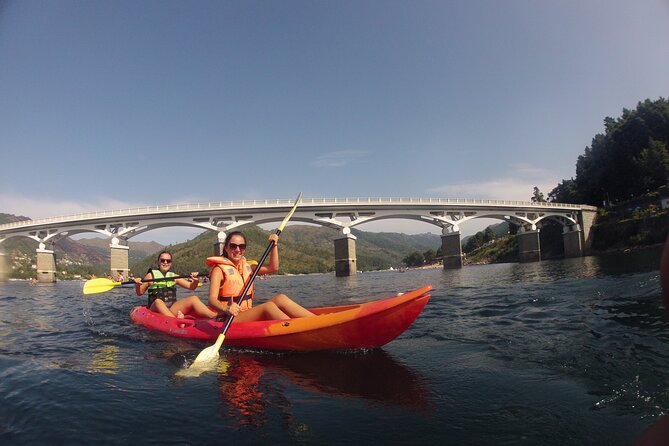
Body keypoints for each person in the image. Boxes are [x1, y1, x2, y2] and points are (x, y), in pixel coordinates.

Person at [207, 231, 315, 321]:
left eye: (242, 246)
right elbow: (212, 300)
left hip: (246, 312)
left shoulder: (249, 266)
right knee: (268, 307)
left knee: (281, 298)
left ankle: (315, 321)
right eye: (233, 246)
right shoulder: (219, 270)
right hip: (229, 317)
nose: (237, 250)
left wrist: (274, 246)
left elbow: (273, 268)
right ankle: (295, 329)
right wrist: (226, 308)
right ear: (226, 248)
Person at [134, 251, 217, 320]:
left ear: (171, 263)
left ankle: (215, 317)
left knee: (193, 298)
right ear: (158, 262)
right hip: (155, 309)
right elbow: (140, 292)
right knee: (158, 301)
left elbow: (191, 286)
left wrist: (195, 281)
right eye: (163, 260)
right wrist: (138, 284)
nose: (165, 262)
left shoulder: (174, 276)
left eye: (168, 261)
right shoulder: (150, 276)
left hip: (171, 308)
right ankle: (176, 320)